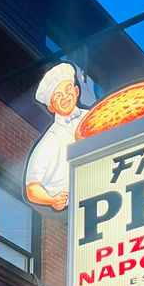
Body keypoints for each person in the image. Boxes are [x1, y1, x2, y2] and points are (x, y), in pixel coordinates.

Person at [24, 62, 86, 211]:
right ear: (51, 106)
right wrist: (52, 200)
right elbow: (32, 188)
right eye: (58, 96)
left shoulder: (93, 117)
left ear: (76, 91)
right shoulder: (51, 139)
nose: (65, 97)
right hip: (74, 208)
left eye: (68, 90)